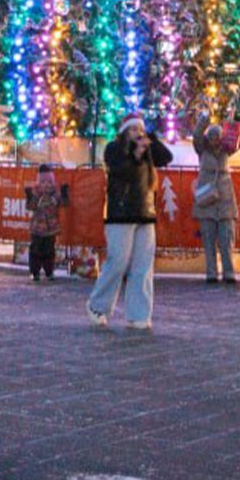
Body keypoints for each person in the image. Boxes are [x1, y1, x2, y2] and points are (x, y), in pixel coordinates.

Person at [88, 113, 173, 331]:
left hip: (145, 212)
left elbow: (167, 157)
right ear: (125, 131)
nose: (138, 133)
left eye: (140, 130)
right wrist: (136, 153)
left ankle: (139, 315)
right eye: (133, 129)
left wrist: (152, 139)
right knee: (118, 261)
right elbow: (121, 170)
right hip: (121, 213)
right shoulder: (114, 149)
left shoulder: (147, 152)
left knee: (143, 266)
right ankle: (98, 306)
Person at [193, 113, 240, 285]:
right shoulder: (202, 149)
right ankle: (211, 273)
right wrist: (203, 121)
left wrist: (232, 124)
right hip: (207, 200)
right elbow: (197, 136)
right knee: (208, 240)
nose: (213, 139)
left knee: (227, 239)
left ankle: (229, 273)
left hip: (225, 200)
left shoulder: (227, 150)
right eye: (211, 136)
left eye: (217, 136)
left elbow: (237, 142)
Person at [24, 164, 68, 282]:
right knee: (35, 251)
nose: (46, 185)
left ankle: (49, 272)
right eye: (43, 183)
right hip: (37, 229)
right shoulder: (37, 195)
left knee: (49, 251)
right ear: (39, 184)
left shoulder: (55, 196)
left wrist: (64, 193)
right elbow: (31, 206)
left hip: (50, 230)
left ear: (52, 183)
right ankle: (35, 272)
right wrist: (28, 196)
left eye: (49, 182)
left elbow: (63, 203)